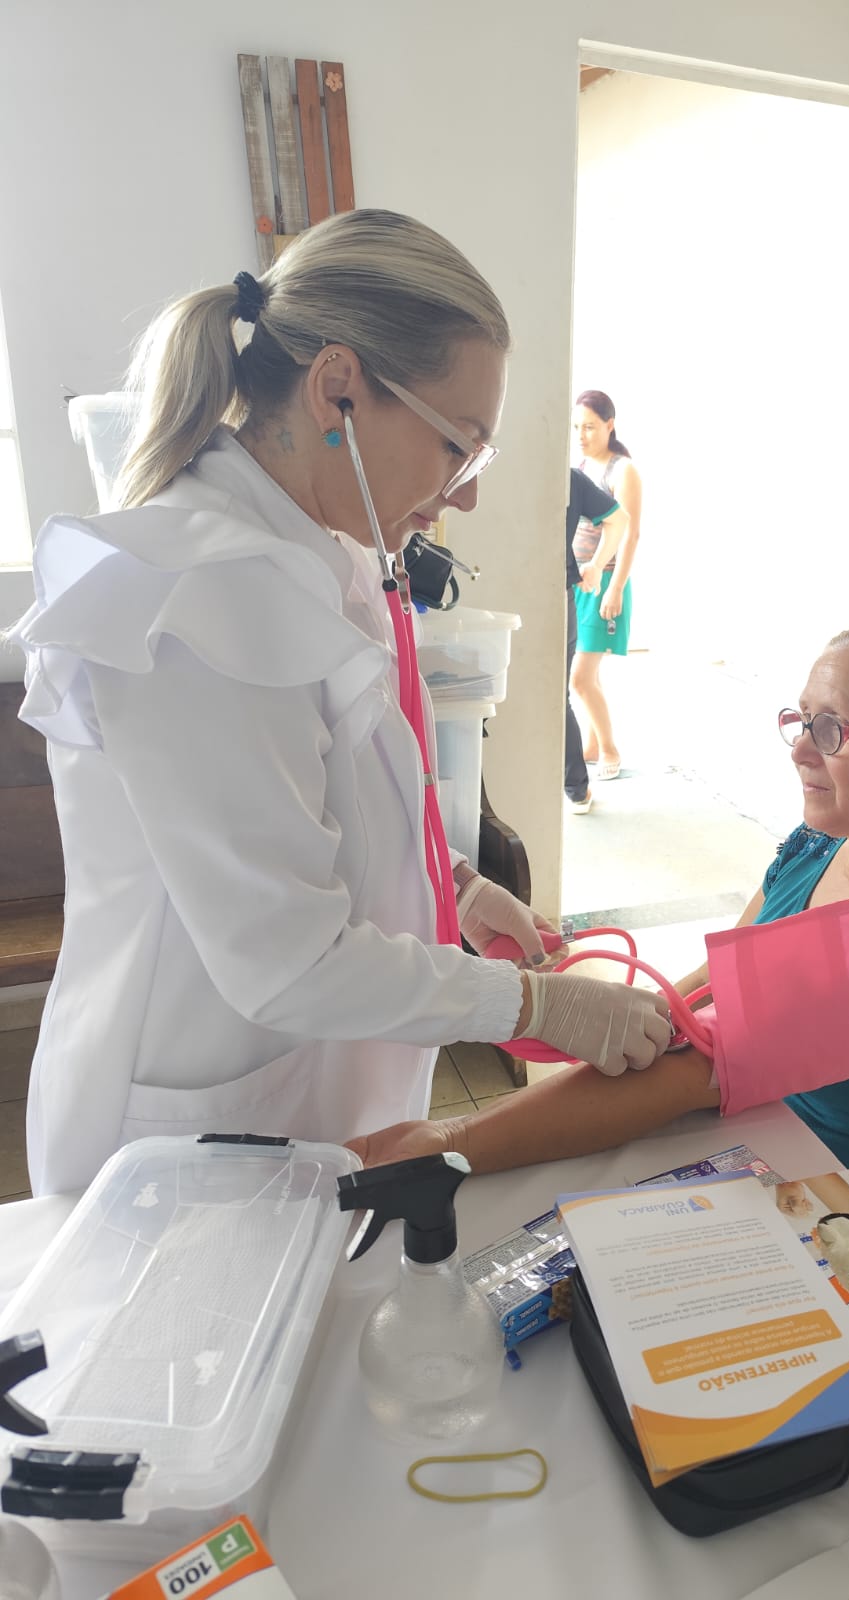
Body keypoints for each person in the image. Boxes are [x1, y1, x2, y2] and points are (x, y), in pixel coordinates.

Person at [9, 209, 671, 1197]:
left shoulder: (324, 556)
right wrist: (537, 1007)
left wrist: (456, 885)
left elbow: (323, 802)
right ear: (337, 389)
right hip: (193, 1129)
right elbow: (286, 960)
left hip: (302, 1093)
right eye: (459, 444)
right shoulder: (199, 597)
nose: (466, 493)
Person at [350, 620, 849, 1254]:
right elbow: (715, 997)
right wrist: (633, 1017)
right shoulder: (832, 839)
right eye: (800, 720)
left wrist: (451, 1138)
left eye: (831, 730)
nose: (800, 749)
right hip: (770, 1133)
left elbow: (697, 1069)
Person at [570, 390, 641, 782]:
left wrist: (615, 587)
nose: (581, 435)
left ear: (609, 425)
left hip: (606, 581)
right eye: (577, 427)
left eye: (590, 427)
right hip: (582, 583)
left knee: (580, 678)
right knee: (588, 674)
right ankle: (593, 745)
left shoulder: (623, 470)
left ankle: (610, 749)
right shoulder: (581, 466)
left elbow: (630, 534)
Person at [563, 466, 626, 815]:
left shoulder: (615, 471)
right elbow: (618, 520)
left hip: (568, 593)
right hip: (564, 593)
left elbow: (623, 522)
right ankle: (577, 787)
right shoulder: (574, 475)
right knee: (565, 691)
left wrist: (601, 571)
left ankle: (582, 781)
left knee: (573, 685)